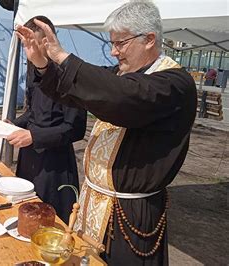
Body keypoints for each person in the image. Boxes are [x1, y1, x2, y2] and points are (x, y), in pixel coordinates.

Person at [16, 1, 196, 265]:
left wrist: (62, 56)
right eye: (112, 43)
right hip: (94, 203)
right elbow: (78, 90)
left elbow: (122, 97)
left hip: (130, 214)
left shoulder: (174, 83)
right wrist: (42, 64)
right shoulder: (122, 74)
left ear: (149, 39)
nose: (113, 52)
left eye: (120, 43)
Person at [6, 16, 87, 224]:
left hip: (55, 164)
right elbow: (34, 113)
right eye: (25, 45)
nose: (29, 50)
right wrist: (13, 125)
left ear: (46, 41)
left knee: (50, 218)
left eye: (33, 43)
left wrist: (35, 136)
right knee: (26, 210)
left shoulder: (70, 74)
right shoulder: (34, 70)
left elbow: (75, 129)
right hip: (29, 157)